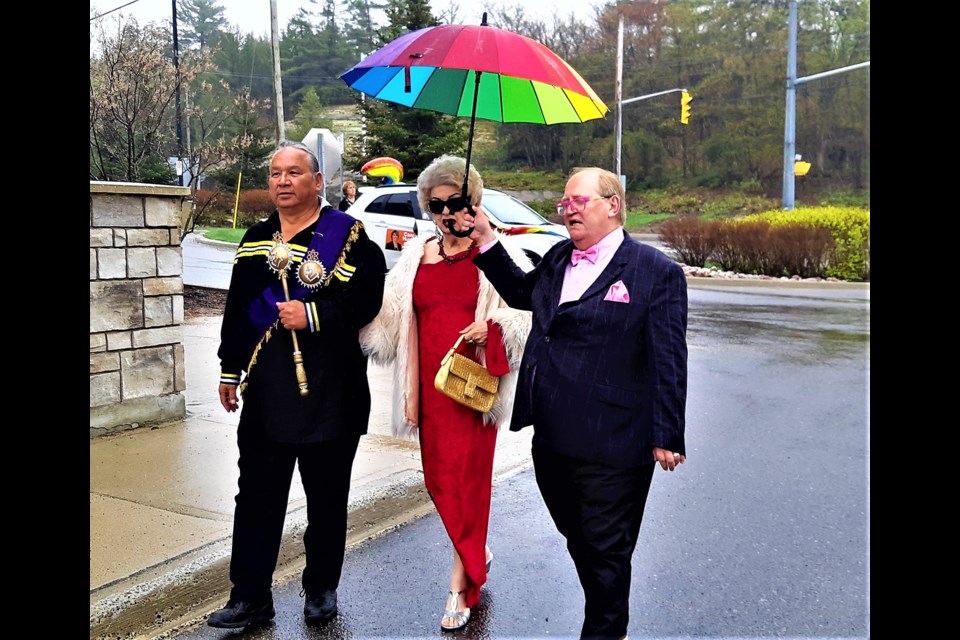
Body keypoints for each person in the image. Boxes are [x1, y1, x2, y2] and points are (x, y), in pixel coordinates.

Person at [462, 166, 688, 640]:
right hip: (552, 436)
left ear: (613, 204)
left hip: (615, 441)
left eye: (579, 201)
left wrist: (667, 433)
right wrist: (485, 239)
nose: (569, 211)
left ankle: (605, 629)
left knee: (607, 547)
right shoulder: (560, 256)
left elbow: (668, 357)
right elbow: (525, 294)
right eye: (565, 203)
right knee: (581, 539)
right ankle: (607, 609)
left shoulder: (655, 272)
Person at [208, 141, 387, 630]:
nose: (282, 181)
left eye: (293, 173)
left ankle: (321, 590)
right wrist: (231, 369)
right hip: (267, 393)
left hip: (331, 392)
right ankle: (250, 598)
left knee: (326, 500)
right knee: (257, 500)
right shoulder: (256, 237)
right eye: (274, 173)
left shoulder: (347, 237)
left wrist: (312, 313)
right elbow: (240, 309)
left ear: (316, 181)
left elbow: (368, 300)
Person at [359, 154, 532, 632]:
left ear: (472, 202)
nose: (445, 212)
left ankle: (462, 583)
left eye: (455, 202)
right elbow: (387, 316)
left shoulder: (496, 253)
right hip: (430, 389)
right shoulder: (418, 252)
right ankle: (476, 550)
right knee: (438, 482)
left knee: (469, 484)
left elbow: (528, 312)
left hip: (473, 390)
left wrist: (494, 326)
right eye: (436, 205)